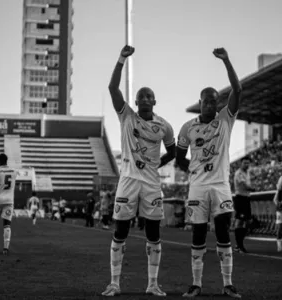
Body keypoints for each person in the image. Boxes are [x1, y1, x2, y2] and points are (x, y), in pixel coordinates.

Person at [101, 45, 175, 297]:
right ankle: (114, 283)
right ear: (135, 102)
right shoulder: (127, 117)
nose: (144, 99)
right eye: (140, 96)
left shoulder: (164, 127)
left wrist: (157, 164)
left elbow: (173, 152)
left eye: (148, 96)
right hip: (128, 181)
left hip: (152, 184)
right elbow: (112, 88)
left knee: (153, 233)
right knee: (120, 231)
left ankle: (152, 284)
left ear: (155, 101)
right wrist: (121, 59)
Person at [176, 48, 242, 298]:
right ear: (200, 102)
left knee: (224, 232)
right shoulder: (187, 128)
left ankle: (227, 284)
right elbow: (180, 157)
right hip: (198, 188)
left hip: (221, 186)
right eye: (207, 101)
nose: (211, 104)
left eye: (215, 100)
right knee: (198, 234)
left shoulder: (226, 119)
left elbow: (238, 90)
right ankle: (196, 284)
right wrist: (192, 171)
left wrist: (226, 60)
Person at [233, 157, 255, 253]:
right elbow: (244, 186)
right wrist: (253, 189)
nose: (246, 165)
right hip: (240, 198)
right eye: (245, 163)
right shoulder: (239, 173)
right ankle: (239, 245)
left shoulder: (247, 173)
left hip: (246, 198)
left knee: (247, 221)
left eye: (248, 163)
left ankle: (239, 244)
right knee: (240, 221)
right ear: (241, 163)